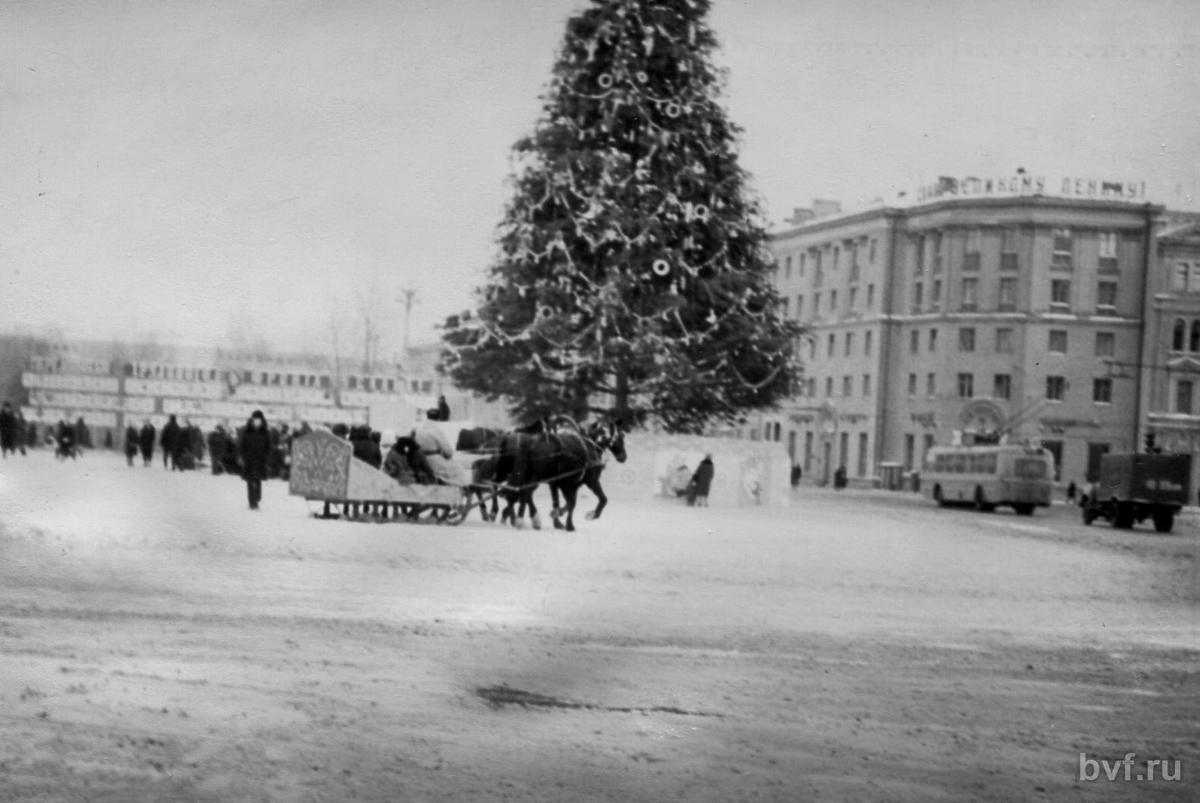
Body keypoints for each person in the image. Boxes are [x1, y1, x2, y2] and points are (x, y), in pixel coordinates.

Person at [412, 410, 470, 486]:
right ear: (438, 418)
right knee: (458, 470)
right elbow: (448, 451)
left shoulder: (419, 429)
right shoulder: (435, 430)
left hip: (420, 461)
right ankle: (458, 490)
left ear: (427, 416)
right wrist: (447, 456)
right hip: (434, 462)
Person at [239, 410, 272, 510]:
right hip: (249, 459)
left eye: (259, 420)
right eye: (255, 419)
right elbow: (242, 445)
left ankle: (256, 498)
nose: (257, 421)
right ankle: (252, 502)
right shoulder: (247, 431)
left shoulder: (265, 432)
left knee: (257, 480)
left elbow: (269, 446)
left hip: (260, 459)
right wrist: (242, 456)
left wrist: (267, 457)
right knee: (250, 480)